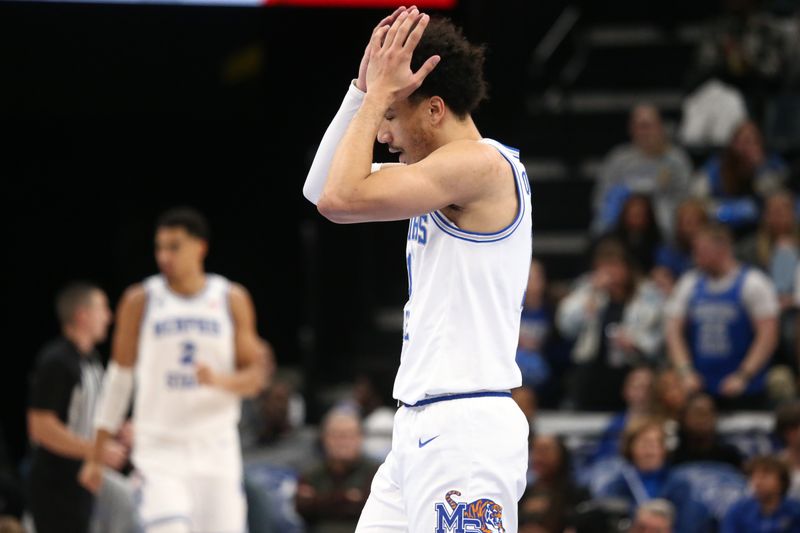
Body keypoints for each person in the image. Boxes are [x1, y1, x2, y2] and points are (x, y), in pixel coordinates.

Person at [303, 7, 531, 531]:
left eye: (391, 117)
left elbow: (341, 196)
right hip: (420, 426)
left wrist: (378, 97)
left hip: (465, 431)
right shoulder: (436, 174)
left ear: (433, 110)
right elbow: (322, 190)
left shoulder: (478, 165)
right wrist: (363, 92)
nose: (382, 133)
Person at [78, 207, 269, 533]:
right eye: (159, 248)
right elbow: (119, 380)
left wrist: (220, 380)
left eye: (174, 246)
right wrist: (96, 455)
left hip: (216, 449)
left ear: (200, 247)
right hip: (159, 449)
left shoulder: (229, 298)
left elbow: (255, 378)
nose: (164, 256)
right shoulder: (140, 300)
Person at [27, 282, 125, 533]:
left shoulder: (92, 360)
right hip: (55, 484)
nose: (109, 316)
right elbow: (40, 427)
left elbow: (91, 415)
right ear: (83, 315)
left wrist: (122, 430)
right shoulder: (57, 361)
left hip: (83, 479)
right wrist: (96, 449)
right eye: (103, 308)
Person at [665, 223, 779, 410]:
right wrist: (685, 371)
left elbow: (768, 335)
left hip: (745, 387)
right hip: (701, 385)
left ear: (722, 249)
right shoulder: (689, 283)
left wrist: (744, 375)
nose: (696, 257)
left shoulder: (753, 283)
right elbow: (673, 330)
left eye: (701, 251)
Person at [557, 239, 664, 411]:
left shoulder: (646, 294)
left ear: (627, 268)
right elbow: (565, 325)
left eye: (615, 267)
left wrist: (635, 342)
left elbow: (657, 335)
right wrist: (591, 295)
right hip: (593, 369)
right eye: (604, 268)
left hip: (631, 367)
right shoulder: (588, 288)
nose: (610, 274)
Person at [591, 104, 691, 238]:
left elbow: (685, 199)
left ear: (660, 127)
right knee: (600, 226)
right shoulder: (618, 159)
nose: (644, 132)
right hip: (623, 221)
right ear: (631, 129)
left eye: (648, 126)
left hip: (664, 223)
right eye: (639, 127)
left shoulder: (676, 160)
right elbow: (601, 199)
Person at [692, 120, 788, 231]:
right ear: (733, 144)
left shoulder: (772, 165)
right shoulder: (716, 167)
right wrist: (730, 210)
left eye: (755, 141)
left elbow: (777, 200)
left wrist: (759, 169)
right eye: (745, 141)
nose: (749, 147)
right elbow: (698, 200)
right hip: (722, 226)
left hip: (762, 228)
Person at [295, 409, 380, 533]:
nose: (342, 442)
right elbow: (302, 507)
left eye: (349, 435)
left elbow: (374, 509)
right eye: (336, 435)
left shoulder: (377, 473)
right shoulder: (310, 474)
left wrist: (319, 501)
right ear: (324, 439)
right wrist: (347, 499)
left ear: (360, 438)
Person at [519, 434, 590, 533]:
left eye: (544, 450)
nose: (538, 457)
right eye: (534, 450)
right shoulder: (522, 492)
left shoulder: (576, 493)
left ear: (561, 454)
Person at [592, 365, 655, 463]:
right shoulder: (615, 424)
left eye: (648, 387)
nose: (643, 393)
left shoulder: (665, 422)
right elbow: (602, 459)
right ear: (625, 391)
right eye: (637, 387)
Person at [721, 455, 800, 533]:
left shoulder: (795, 511)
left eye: (765, 476)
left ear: (782, 481)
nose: (758, 482)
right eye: (754, 477)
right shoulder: (738, 511)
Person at [670, 392, 742, 469]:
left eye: (708, 412)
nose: (703, 418)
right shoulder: (672, 458)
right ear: (683, 418)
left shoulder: (730, 456)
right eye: (697, 412)